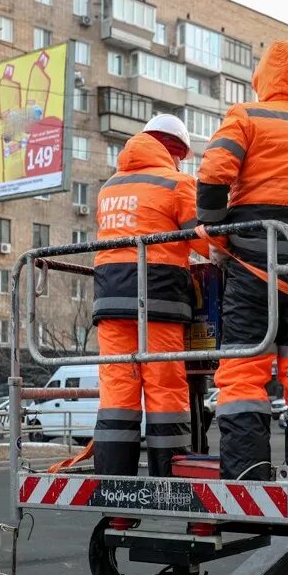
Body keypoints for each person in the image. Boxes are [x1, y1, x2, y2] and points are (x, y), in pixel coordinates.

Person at [196, 40, 288, 481]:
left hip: (257, 260)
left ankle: (248, 478)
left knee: (243, 371)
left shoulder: (246, 117)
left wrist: (215, 229)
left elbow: (214, 171)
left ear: (261, 77)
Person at [92, 114, 207, 476]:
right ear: (174, 150)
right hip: (159, 300)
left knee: (117, 393)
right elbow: (203, 240)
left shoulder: (109, 187)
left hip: (110, 300)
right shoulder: (176, 183)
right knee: (165, 388)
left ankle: (113, 480)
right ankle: (168, 480)